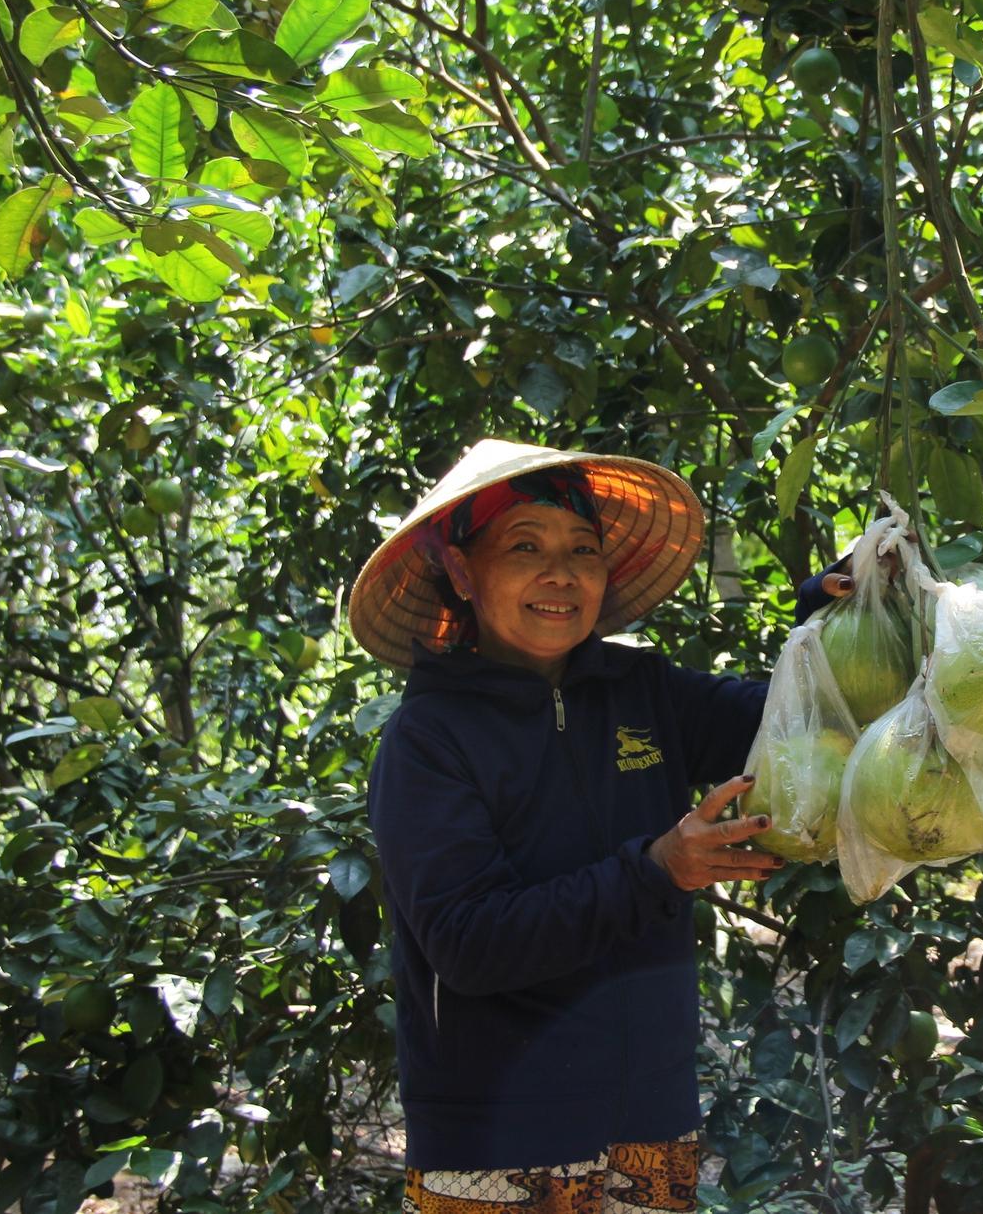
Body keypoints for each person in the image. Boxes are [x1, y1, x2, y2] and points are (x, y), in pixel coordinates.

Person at [348, 439, 848, 1214]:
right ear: (460, 571)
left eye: (583, 549)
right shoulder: (428, 740)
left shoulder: (640, 690)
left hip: (648, 1122)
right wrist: (655, 871)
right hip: (495, 1142)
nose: (561, 573)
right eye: (525, 547)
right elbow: (469, 945)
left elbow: (783, 728)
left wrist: (830, 618)